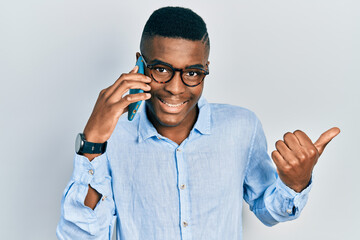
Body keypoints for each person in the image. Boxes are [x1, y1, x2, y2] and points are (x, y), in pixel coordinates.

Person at [56, 6, 340, 240]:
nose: (176, 88)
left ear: (206, 68)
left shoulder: (242, 127)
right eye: (161, 69)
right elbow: (81, 235)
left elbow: (268, 210)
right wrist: (92, 141)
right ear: (139, 64)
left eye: (192, 73)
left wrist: (296, 183)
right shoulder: (112, 137)